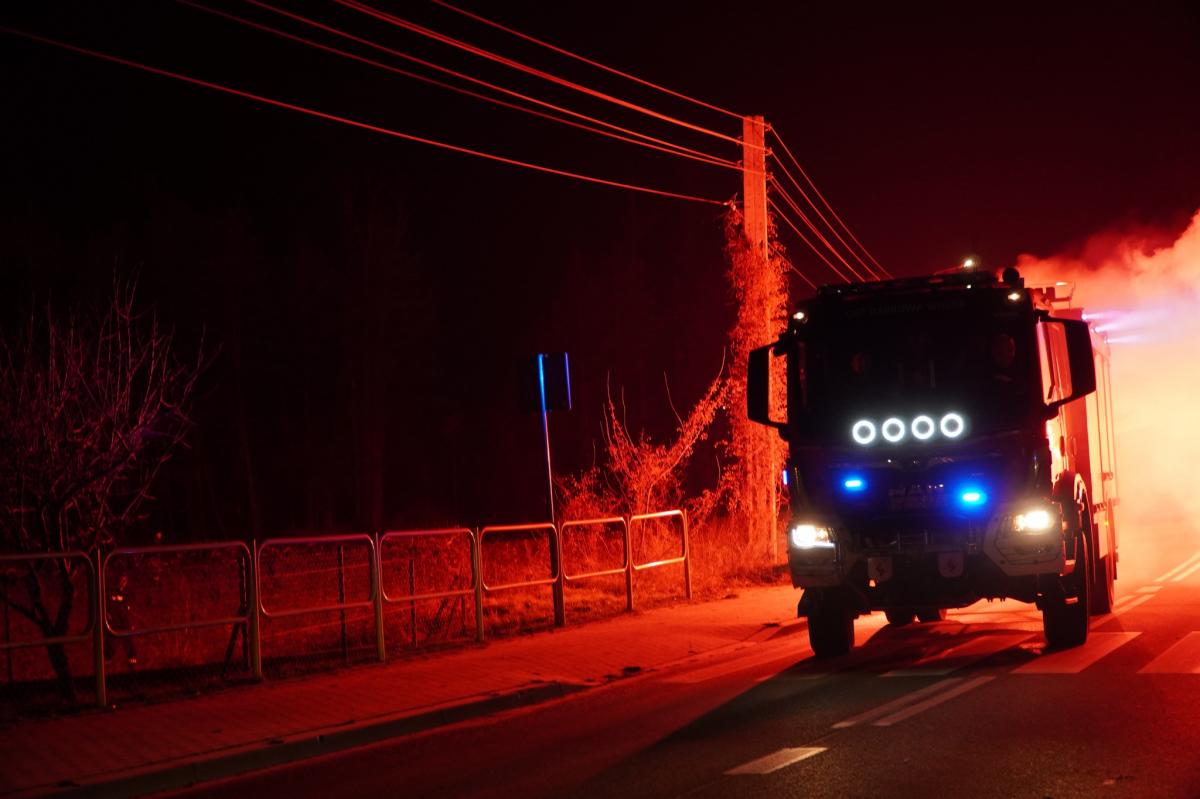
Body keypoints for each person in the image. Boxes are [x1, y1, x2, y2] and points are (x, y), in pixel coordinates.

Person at [104, 574, 138, 667]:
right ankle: (108, 656)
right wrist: (106, 613)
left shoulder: (127, 593)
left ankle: (131, 655)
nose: (122, 583)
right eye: (121, 580)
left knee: (127, 636)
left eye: (124, 581)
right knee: (111, 637)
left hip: (124, 618)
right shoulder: (110, 591)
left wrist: (123, 599)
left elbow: (130, 602)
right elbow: (106, 602)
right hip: (114, 618)